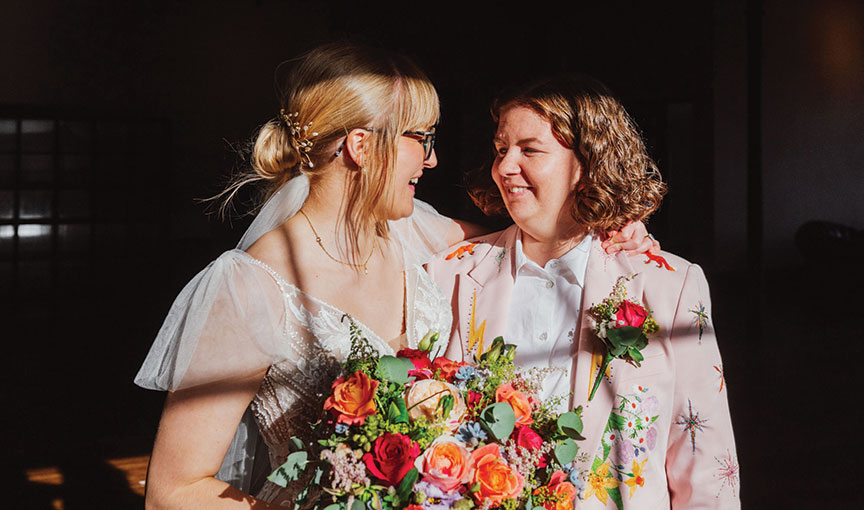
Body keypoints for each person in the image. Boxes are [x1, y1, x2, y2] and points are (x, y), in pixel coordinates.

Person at [135, 45, 657, 509]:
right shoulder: (249, 285)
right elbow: (173, 491)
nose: (431, 160)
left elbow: (534, 237)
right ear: (361, 145)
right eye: (421, 138)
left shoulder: (419, 234)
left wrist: (612, 225)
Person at [427, 75, 739, 509]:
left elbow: (704, 460)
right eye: (501, 149)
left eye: (529, 150)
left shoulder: (668, 284)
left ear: (588, 164)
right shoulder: (449, 274)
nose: (504, 167)